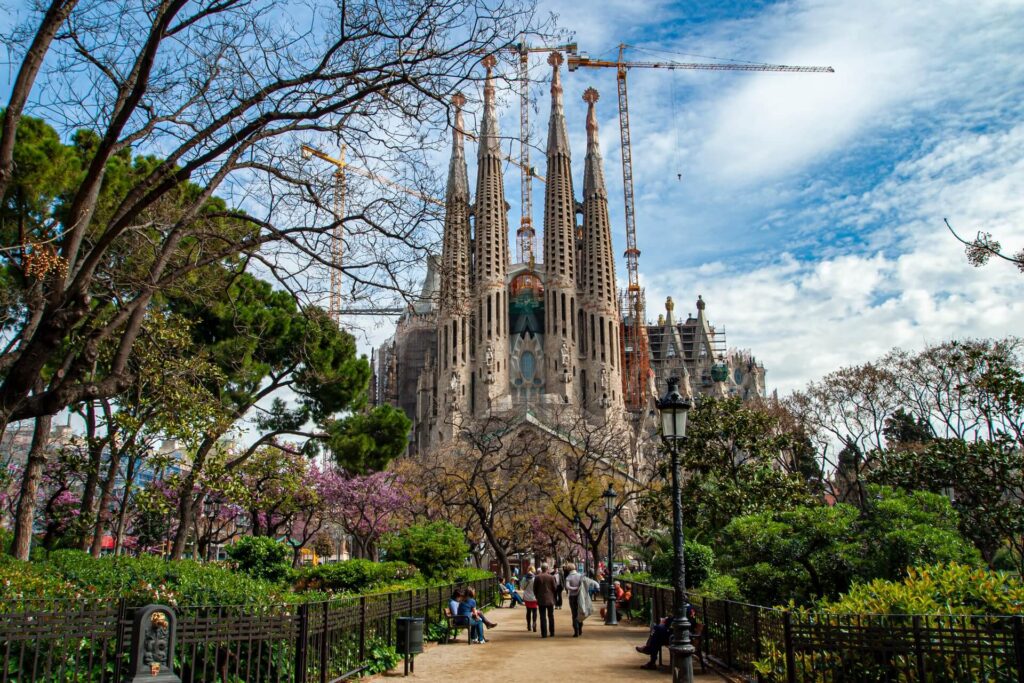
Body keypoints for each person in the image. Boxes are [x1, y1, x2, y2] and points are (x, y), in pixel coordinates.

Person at [531, 563, 558, 637]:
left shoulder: (537, 577)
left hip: (541, 599)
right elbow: (555, 588)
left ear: (542, 568)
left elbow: (534, 589)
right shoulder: (551, 577)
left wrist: (537, 596)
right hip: (550, 599)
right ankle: (552, 632)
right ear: (547, 568)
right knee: (551, 616)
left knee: (542, 617)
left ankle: (544, 633)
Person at [574, 571, 601, 636]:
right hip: (584, 596)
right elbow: (596, 584)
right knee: (580, 612)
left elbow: (568, 586)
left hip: (575, 597)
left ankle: (577, 630)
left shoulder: (579, 579)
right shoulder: (587, 580)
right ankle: (579, 629)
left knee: (575, 615)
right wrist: (597, 589)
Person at [520, 566, 538, 631]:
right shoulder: (535, 578)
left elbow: (522, 587)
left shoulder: (524, 578)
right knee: (535, 611)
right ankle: (534, 623)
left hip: (527, 597)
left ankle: (528, 625)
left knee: (528, 611)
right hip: (534, 597)